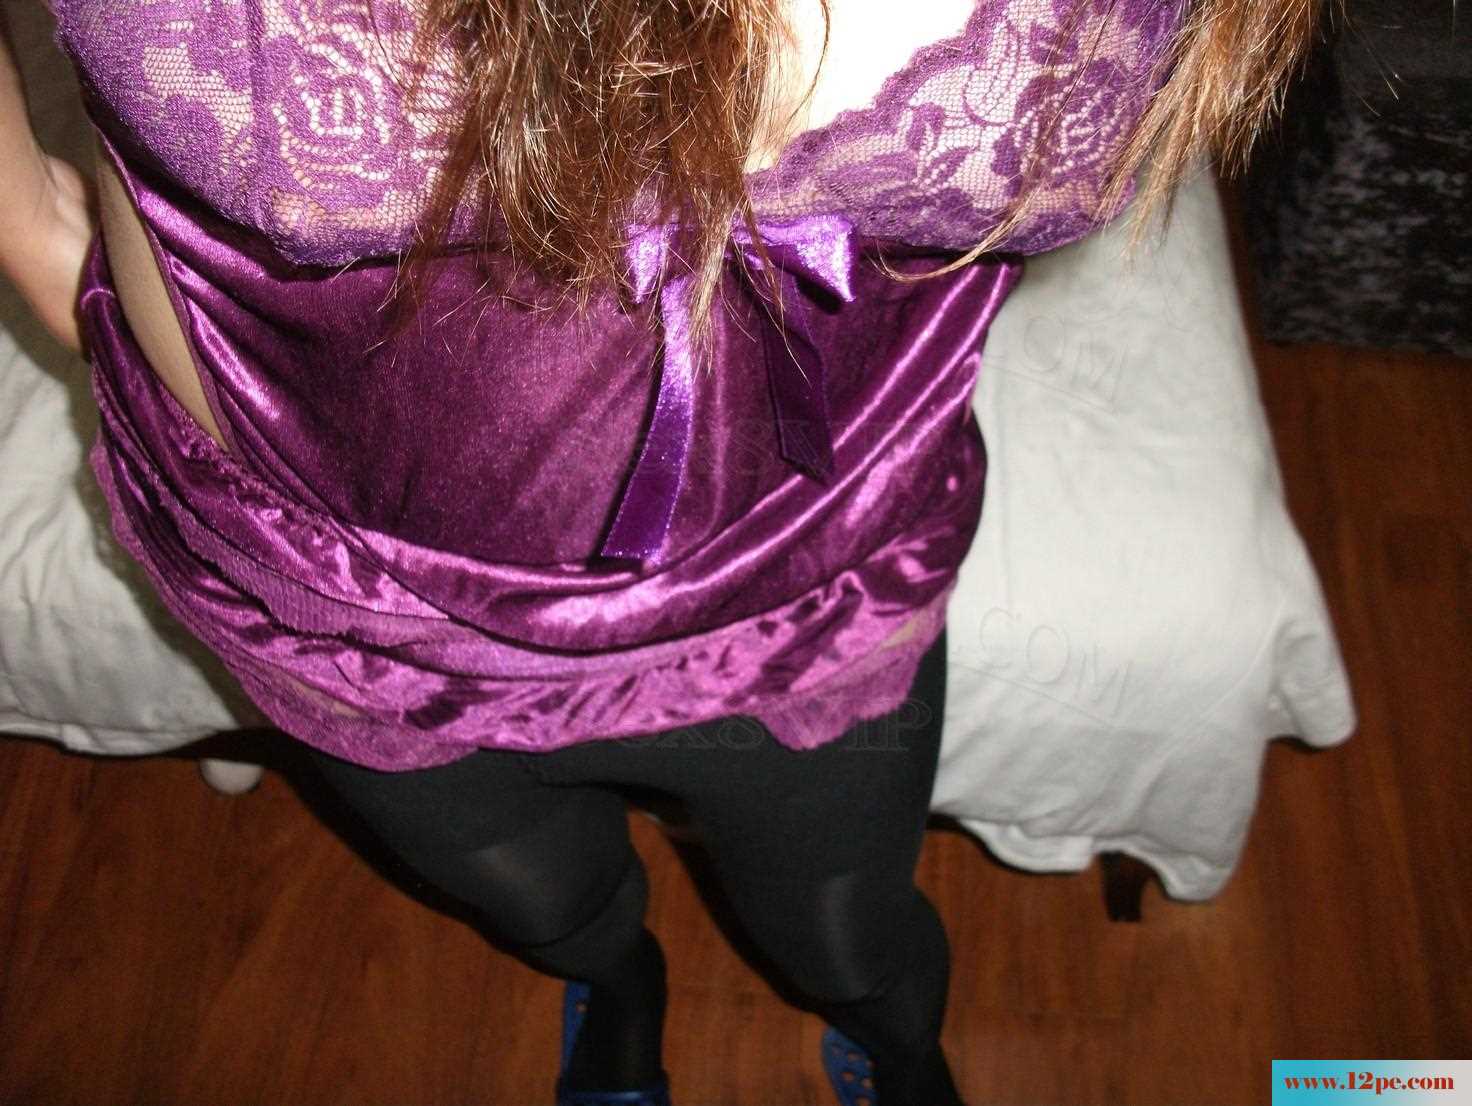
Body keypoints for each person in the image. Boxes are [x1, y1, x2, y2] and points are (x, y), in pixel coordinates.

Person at [0, 0, 1324, 1102]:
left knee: (849, 936)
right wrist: (36, 233)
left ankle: (896, 1041)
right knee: (546, 908)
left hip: (815, 575)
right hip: (335, 604)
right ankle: (621, 986)